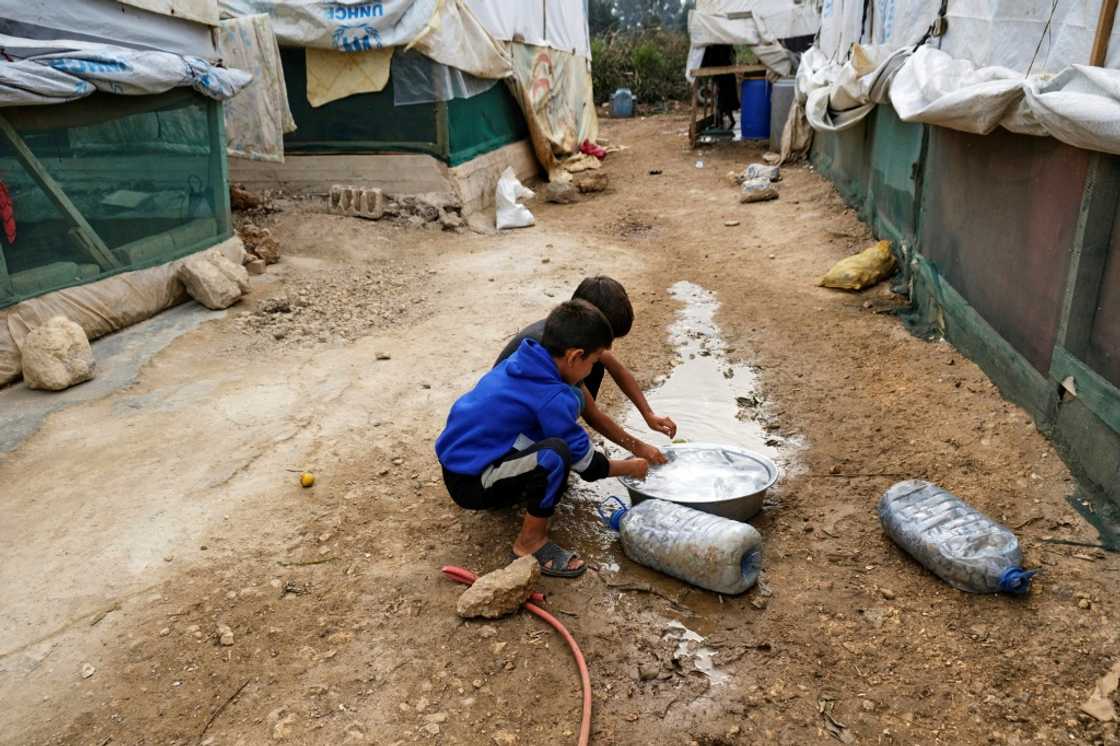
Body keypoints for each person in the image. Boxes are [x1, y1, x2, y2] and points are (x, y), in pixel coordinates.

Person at [436, 300, 650, 577]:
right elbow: (590, 467)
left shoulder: (527, 358)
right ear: (575, 357)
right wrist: (633, 466)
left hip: (461, 461)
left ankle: (520, 485)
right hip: (471, 483)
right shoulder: (551, 397)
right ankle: (530, 542)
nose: (592, 370)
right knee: (555, 455)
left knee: (559, 438)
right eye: (594, 363)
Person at [495, 276, 677, 465]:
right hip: (507, 437)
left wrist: (648, 413)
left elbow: (617, 368)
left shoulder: (564, 330)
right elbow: (593, 415)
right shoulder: (557, 354)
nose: (609, 349)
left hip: (522, 411)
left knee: (595, 363)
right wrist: (638, 448)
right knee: (562, 452)